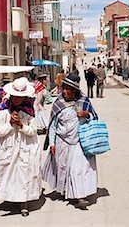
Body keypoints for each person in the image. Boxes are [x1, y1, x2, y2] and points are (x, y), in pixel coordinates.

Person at [42, 73, 98, 210]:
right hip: (62, 143)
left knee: (77, 170)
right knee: (63, 169)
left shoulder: (84, 101)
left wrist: (87, 115)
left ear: (75, 90)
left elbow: (95, 119)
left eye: (69, 89)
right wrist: (52, 143)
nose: (65, 91)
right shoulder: (58, 103)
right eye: (64, 88)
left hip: (79, 143)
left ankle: (80, 197)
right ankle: (67, 191)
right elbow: (53, 126)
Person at [0, 77, 41, 217]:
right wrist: (10, 124)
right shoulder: (3, 111)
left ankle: (23, 202)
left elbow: (33, 131)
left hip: (25, 149)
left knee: (24, 174)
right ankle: (11, 197)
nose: (17, 100)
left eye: (20, 97)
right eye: (15, 97)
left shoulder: (29, 112)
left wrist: (21, 125)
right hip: (8, 148)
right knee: (8, 174)